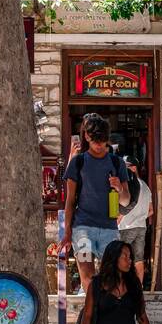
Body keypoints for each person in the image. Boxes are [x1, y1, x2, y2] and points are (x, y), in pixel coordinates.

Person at [60, 113, 130, 292]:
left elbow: (126, 199)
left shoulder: (117, 162)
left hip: (110, 229)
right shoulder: (78, 162)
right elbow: (69, 201)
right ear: (87, 137)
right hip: (82, 228)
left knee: (112, 277)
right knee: (88, 276)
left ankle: (105, 313)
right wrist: (67, 231)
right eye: (95, 140)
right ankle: (93, 313)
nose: (99, 145)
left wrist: (119, 188)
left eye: (103, 141)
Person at [118, 155, 154, 283]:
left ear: (133, 168)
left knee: (120, 258)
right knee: (138, 259)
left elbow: (125, 206)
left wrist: (118, 220)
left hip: (126, 227)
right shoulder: (145, 186)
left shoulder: (129, 185)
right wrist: (140, 217)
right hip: (141, 227)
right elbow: (151, 210)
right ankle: (138, 288)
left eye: (126, 167)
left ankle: (121, 286)